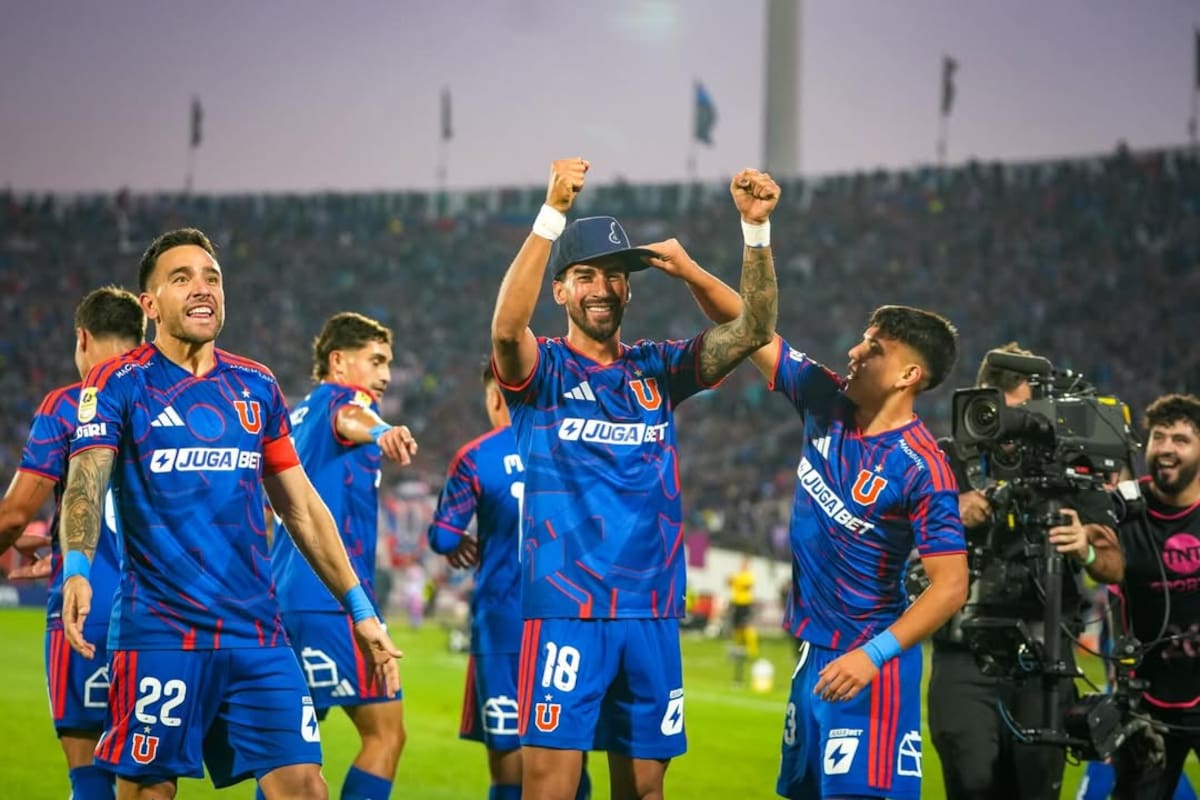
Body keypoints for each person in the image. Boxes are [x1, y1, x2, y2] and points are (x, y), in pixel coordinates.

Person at [59, 228, 402, 800]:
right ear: (150, 305)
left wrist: (360, 608)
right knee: (148, 791)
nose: (202, 288)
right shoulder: (119, 382)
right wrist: (76, 564)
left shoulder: (256, 384)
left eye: (212, 277)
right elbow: (87, 480)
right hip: (161, 633)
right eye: (182, 278)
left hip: (256, 632)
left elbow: (301, 506)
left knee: (305, 787)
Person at [490, 157, 779, 800]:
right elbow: (506, 328)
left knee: (646, 794)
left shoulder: (657, 370)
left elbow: (755, 331)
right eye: (585, 274)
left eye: (616, 276)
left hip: (651, 615)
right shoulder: (544, 372)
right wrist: (551, 214)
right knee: (550, 791)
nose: (602, 287)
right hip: (568, 612)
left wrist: (750, 234)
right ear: (560, 290)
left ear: (630, 291)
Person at [639, 238, 969, 800]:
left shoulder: (923, 467)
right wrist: (695, 267)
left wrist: (874, 656)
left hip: (871, 662)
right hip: (814, 654)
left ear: (908, 374)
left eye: (874, 349)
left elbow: (951, 585)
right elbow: (752, 331)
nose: (855, 353)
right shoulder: (826, 401)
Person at [927, 343, 1124, 800]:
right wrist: (948, 512)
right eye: (1002, 412)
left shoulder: (1068, 462)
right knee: (971, 782)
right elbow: (901, 533)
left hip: (1043, 656)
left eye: (1023, 413)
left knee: (1035, 789)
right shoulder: (947, 458)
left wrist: (1086, 549)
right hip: (964, 651)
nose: (1013, 427)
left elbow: (1114, 566)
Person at [0, 286, 144, 800]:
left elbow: (15, 514)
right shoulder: (175, 399)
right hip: (168, 615)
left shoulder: (69, 405)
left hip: (88, 609)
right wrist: (63, 545)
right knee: (150, 775)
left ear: (82, 338)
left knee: (89, 773)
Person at [267, 311, 418, 800]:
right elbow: (353, 418)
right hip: (332, 601)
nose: (386, 375)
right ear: (338, 361)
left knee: (289, 755)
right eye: (375, 360)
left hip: (285, 598)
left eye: (388, 363)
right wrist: (382, 431)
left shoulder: (295, 415)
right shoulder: (342, 402)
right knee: (386, 735)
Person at [427, 364, 592, 800]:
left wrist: (455, 543)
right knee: (570, 756)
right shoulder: (573, 450)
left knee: (510, 769)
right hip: (568, 619)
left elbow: (443, 535)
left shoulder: (477, 456)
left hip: (503, 622)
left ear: (495, 398)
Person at [1110, 393, 1200, 799]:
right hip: (1146, 702)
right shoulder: (1122, 508)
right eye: (1158, 437)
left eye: (1180, 440)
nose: (1165, 449)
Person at [726, 556, 759, 687]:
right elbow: (729, 583)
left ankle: (752, 650)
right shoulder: (738, 575)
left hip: (745, 604)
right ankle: (738, 650)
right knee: (737, 629)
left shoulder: (748, 576)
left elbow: (747, 585)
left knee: (746, 628)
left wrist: (735, 581)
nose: (742, 565)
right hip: (736, 604)